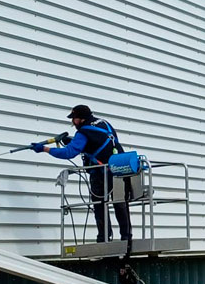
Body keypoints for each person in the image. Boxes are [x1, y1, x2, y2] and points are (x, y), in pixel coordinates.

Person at [33, 104, 132, 244]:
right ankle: (127, 238)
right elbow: (97, 141)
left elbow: (69, 152)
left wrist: (44, 149)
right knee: (120, 203)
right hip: (119, 169)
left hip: (100, 173)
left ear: (81, 119)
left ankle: (103, 240)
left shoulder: (83, 132)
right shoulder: (104, 123)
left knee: (100, 205)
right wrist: (73, 141)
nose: (73, 122)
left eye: (74, 119)